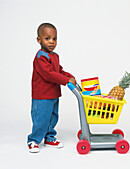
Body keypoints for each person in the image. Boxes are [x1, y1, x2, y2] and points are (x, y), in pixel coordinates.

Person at [27, 23, 76, 153]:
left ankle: (49, 137)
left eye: (54, 39)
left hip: (53, 94)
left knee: (53, 117)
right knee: (41, 117)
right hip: (42, 95)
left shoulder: (54, 56)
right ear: (39, 40)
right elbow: (49, 74)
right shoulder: (41, 57)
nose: (52, 42)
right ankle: (33, 139)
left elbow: (58, 70)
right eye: (47, 38)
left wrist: (69, 76)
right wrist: (66, 81)